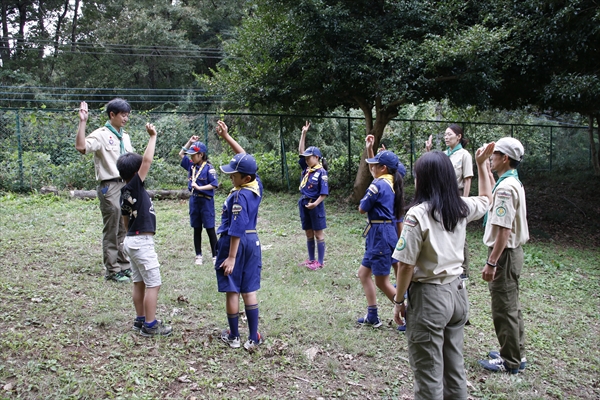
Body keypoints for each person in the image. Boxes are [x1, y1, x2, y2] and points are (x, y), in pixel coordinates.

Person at [392, 143, 495, 399]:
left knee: (428, 376)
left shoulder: (418, 215)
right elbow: (486, 200)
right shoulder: (459, 207)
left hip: (430, 299)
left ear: (423, 180)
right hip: (458, 295)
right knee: (454, 371)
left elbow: (405, 265)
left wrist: (398, 299)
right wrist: (482, 164)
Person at [478, 137, 529, 374]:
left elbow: (504, 228)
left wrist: (492, 262)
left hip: (504, 254)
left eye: (494, 154)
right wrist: (480, 165)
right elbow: (490, 191)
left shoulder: (506, 189)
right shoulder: (510, 181)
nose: (491, 157)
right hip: (510, 253)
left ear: (505, 158)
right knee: (512, 305)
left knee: (503, 307)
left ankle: (510, 360)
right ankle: (516, 350)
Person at [117, 123, 172, 337]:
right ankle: (151, 324)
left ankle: (140, 319)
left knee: (139, 281)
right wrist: (153, 137)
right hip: (141, 242)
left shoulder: (125, 191)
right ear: (135, 172)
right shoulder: (135, 186)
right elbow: (147, 160)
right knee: (153, 283)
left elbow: (124, 222)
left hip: (131, 240)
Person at [214, 120, 264, 351]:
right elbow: (245, 159)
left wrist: (231, 257)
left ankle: (234, 336)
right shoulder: (255, 185)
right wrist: (227, 137)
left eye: (234, 174)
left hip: (235, 243)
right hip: (253, 242)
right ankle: (253, 337)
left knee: (232, 288)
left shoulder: (239, 197)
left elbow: (235, 228)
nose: (230, 177)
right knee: (249, 289)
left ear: (244, 178)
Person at [75, 99, 133, 283]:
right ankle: (112, 269)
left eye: (127, 115)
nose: (125, 119)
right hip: (110, 185)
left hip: (126, 185)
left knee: (125, 226)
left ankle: (124, 265)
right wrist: (82, 122)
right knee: (112, 227)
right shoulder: (101, 134)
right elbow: (81, 147)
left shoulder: (125, 137)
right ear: (112, 115)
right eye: (123, 115)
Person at [356, 135, 405, 328]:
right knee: (363, 273)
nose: (372, 168)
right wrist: (371, 149)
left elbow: (362, 208)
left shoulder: (378, 184)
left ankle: (408, 314)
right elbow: (374, 170)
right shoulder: (393, 182)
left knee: (382, 281)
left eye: (375, 165)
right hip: (384, 232)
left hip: (379, 235)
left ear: (382, 168)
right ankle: (372, 316)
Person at [427, 124, 474, 279]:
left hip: (457, 195)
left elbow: (467, 179)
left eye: (449, 134)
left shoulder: (464, 155)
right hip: (442, 195)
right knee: (444, 228)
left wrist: (464, 201)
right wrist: (428, 151)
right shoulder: (444, 155)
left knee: (460, 229)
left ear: (458, 136)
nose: (446, 137)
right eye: (445, 135)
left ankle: (464, 270)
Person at [179, 136, 219, 266]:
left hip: (206, 202)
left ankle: (215, 255)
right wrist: (190, 141)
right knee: (196, 229)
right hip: (194, 201)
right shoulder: (191, 166)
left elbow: (214, 184)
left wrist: (200, 187)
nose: (191, 157)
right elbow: (181, 153)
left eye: (194, 155)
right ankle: (198, 255)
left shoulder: (209, 168)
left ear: (201, 155)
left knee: (210, 229)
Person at [297, 121, 329, 270]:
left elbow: (324, 194)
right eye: (306, 158)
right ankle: (311, 259)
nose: (306, 159)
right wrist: (303, 134)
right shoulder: (307, 168)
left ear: (316, 157)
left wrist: (315, 204)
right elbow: (300, 151)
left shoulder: (321, 172)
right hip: (304, 202)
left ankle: (320, 262)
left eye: (309, 157)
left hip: (315, 205)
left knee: (318, 234)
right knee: (308, 233)